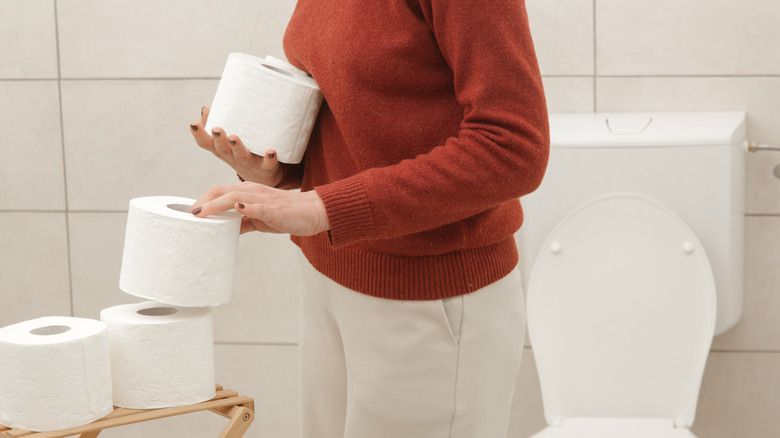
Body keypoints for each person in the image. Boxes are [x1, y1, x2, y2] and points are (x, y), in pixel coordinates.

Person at [189, 0, 549, 436]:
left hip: (427, 297)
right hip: (329, 276)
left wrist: (324, 206)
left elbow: (513, 147)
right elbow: (359, 113)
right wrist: (282, 172)